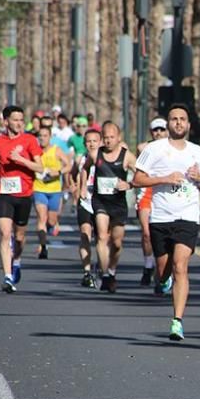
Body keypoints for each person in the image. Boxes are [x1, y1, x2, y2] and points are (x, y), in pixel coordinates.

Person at [133, 104, 200, 341]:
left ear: (188, 124)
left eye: (182, 119)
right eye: (174, 119)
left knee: (180, 266)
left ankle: (177, 321)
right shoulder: (154, 149)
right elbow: (136, 179)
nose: (178, 123)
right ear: (168, 124)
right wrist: (165, 178)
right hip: (161, 217)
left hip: (187, 216)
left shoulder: (196, 151)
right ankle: (161, 280)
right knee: (163, 271)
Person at [0, 105, 43, 294]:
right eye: (15, 119)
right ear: (6, 121)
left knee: (19, 237)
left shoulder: (30, 140)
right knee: (5, 234)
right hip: (4, 193)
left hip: (24, 194)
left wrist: (21, 160)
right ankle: (8, 276)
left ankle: (16, 260)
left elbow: (40, 168)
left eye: (21, 119)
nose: (18, 123)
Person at [90, 121, 137, 293]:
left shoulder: (126, 156)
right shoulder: (96, 154)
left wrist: (129, 184)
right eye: (106, 137)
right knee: (102, 236)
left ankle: (111, 270)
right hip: (100, 201)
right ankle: (105, 275)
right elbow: (84, 168)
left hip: (118, 203)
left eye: (112, 137)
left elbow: (141, 174)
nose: (108, 141)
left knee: (117, 242)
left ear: (119, 138)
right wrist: (80, 186)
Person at [136, 118, 169, 289]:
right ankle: (148, 265)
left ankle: (161, 272)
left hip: (164, 193)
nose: (159, 133)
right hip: (147, 193)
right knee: (147, 234)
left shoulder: (173, 149)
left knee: (162, 237)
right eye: (156, 130)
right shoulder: (144, 148)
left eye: (162, 130)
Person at [32, 125, 72, 260]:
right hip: (39, 188)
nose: (42, 138)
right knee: (41, 218)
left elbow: (68, 165)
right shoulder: (35, 151)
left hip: (54, 190)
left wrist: (58, 172)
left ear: (50, 137)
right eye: (40, 136)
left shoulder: (56, 150)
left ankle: (52, 225)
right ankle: (43, 246)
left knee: (51, 220)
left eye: (45, 136)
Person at [75, 127, 102, 287]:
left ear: (100, 142)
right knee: (85, 234)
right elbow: (73, 173)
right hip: (85, 201)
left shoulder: (106, 159)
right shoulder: (80, 159)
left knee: (102, 238)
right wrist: (76, 186)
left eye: (95, 141)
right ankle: (86, 271)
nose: (91, 144)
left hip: (102, 202)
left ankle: (100, 265)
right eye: (88, 141)